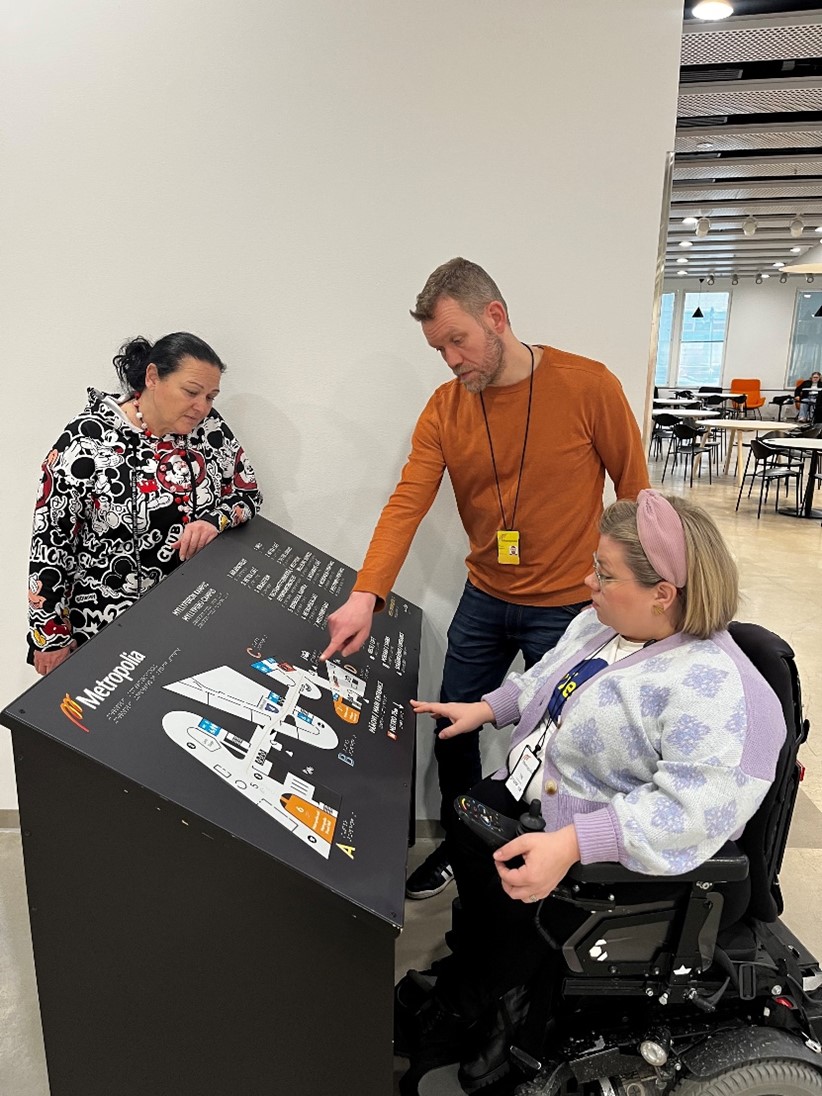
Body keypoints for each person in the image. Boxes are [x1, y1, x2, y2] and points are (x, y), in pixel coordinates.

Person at [401, 490, 787, 1095]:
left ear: (664, 592)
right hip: (531, 804)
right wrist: (485, 708)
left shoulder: (719, 690)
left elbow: (692, 810)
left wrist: (576, 842)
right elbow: (545, 682)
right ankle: (481, 973)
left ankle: (500, 1003)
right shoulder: (601, 623)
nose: (588, 582)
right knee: (474, 852)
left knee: (508, 916)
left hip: (605, 858)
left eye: (604, 574)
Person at [321, 257, 650, 899]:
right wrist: (367, 594)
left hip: (570, 609)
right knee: (452, 723)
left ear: (495, 318)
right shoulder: (445, 409)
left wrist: (639, 596)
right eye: (438, 348)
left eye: (456, 340)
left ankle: (557, 852)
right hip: (485, 599)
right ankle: (460, 843)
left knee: (568, 737)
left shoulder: (590, 386)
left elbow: (637, 494)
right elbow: (406, 502)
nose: (449, 359)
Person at [28, 332, 262, 674]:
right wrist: (49, 637)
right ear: (152, 378)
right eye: (192, 392)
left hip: (196, 621)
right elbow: (51, 543)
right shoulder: (87, 441)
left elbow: (247, 495)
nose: (203, 407)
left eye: (211, 396)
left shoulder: (210, 429)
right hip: (106, 633)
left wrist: (216, 520)